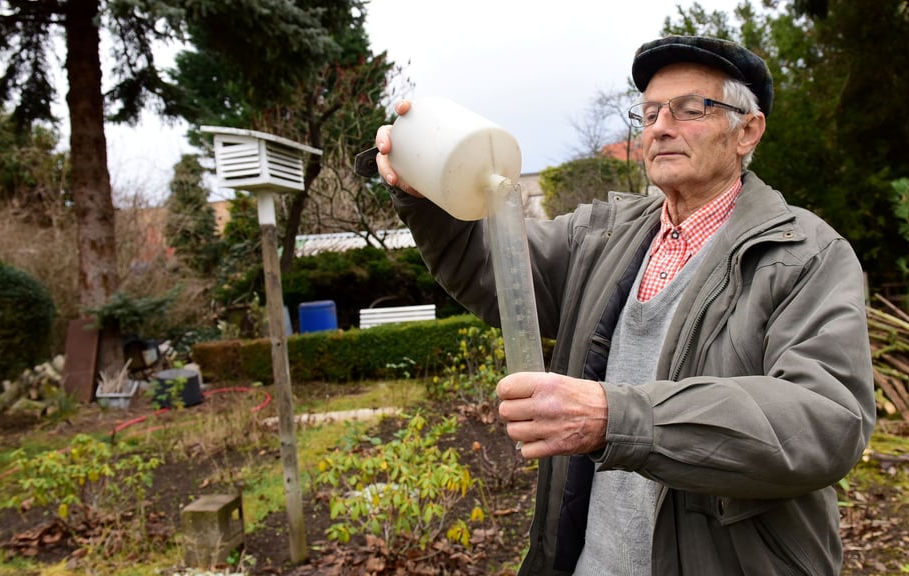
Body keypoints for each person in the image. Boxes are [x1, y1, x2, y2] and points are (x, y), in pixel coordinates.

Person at [369, 35, 875, 576]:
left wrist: (617, 418)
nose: (660, 126)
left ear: (747, 131)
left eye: (689, 109)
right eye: (650, 112)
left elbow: (826, 418)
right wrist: (425, 196)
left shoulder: (806, 255)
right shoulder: (602, 235)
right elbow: (498, 268)